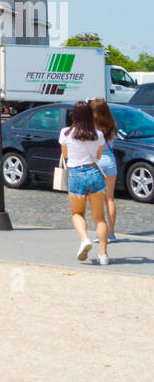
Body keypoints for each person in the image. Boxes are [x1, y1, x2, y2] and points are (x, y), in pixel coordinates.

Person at [59, 100, 109, 266]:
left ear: (74, 115)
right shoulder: (98, 134)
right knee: (100, 218)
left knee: (77, 213)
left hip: (76, 174)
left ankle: (85, 239)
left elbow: (65, 155)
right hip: (94, 172)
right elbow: (99, 156)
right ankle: (103, 254)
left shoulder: (66, 133)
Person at [90, 98, 119, 245]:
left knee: (98, 200)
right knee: (110, 199)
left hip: (97, 161)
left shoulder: (92, 127)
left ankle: (100, 232)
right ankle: (111, 233)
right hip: (110, 161)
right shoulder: (112, 124)